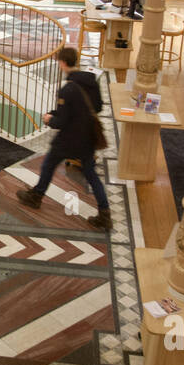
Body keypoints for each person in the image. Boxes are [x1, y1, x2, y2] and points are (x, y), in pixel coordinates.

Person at [16, 47, 112, 231]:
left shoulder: (67, 89)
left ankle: (35, 197)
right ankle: (105, 214)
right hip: (88, 138)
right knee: (91, 174)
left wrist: (49, 118)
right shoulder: (91, 81)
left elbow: (62, 120)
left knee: (48, 165)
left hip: (69, 139)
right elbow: (97, 107)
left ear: (62, 63)